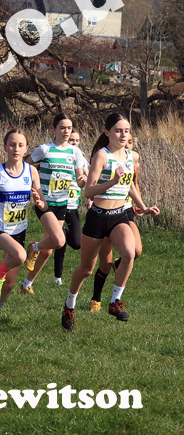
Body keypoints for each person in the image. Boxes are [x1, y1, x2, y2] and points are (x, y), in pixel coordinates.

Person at [61, 114, 159, 331]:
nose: (123, 135)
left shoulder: (131, 156)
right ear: (107, 133)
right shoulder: (102, 156)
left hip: (119, 216)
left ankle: (115, 301)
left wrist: (143, 207)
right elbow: (89, 192)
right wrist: (113, 181)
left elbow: (129, 184)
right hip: (97, 217)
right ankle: (69, 305)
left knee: (129, 253)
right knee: (86, 269)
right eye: (118, 130)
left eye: (126, 131)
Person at [0, 129, 47, 334]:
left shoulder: (31, 172)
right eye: (12, 144)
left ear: (26, 148)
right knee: (21, 256)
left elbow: (43, 204)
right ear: (5, 147)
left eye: (20, 145)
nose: (16, 149)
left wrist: (39, 203)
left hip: (19, 232)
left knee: (10, 284)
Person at [19, 113, 87, 295]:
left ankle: (26, 284)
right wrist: (34, 188)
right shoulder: (45, 149)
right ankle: (34, 248)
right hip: (44, 203)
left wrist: (83, 180)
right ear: (54, 129)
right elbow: (26, 167)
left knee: (48, 251)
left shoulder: (75, 152)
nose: (66, 131)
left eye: (69, 128)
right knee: (59, 241)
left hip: (62, 204)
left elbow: (80, 182)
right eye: (62, 128)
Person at [89, 133, 143, 312]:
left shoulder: (133, 159)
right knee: (104, 264)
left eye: (130, 141)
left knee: (136, 251)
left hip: (125, 211)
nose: (126, 144)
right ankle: (96, 299)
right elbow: (93, 185)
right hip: (106, 212)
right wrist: (91, 200)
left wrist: (140, 205)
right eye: (124, 141)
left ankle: (119, 266)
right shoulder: (104, 156)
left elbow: (133, 184)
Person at [51, 130, 88, 285]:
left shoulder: (82, 159)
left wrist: (90, 198)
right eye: (72, 140)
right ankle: (57, 277)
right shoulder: (58, 156)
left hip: (72, 206)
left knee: (77, 243)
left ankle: (64, 232)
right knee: (60, 243)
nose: (74, 143)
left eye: (77, 140)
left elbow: (90, 179)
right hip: (58, 204)